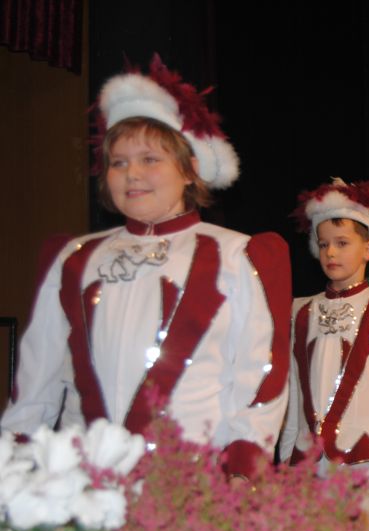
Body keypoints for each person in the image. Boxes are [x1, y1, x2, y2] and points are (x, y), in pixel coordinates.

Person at [1, 55, 292, 481]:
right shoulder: (75, 258)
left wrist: (245, 469)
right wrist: (12, 466)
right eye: (118, 162)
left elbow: (258, 375)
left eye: (149, 159)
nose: (132, 174)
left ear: (190, 170)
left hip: (193, 485)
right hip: (83, 486)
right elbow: (36, 378)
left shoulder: (236, 255)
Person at [279, 178, 369, 531]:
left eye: (342, 243)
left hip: (359, 453)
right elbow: (295, 390)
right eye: (324, 244)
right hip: (309, 454)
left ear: (368, 249)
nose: (331, 253)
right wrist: (286, 456)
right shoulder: (301, 311)